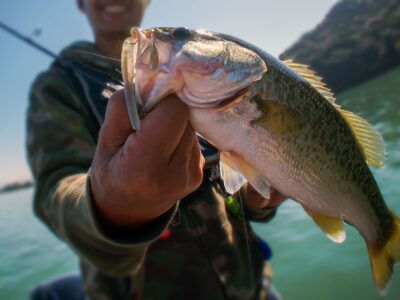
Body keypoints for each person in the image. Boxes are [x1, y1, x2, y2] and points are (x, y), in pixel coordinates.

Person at [27, 0, 286, 299]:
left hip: (247, 285)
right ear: (81, 4)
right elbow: (53, 191)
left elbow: (232, 187)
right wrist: (114, 209)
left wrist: (258, 199)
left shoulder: (199, 69)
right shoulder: (58, 87)